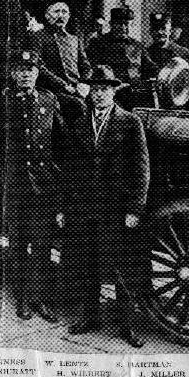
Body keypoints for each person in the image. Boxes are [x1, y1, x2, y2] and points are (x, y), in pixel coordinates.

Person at [62, 65, 149, 348]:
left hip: (117, 209)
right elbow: (70, 170)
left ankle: (127, 325)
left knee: (122, 266)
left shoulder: (130, 122)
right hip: (85, 207)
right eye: (95, 90)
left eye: (105, 90)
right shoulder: (78, 125)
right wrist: (65, 208)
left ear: (113, 92)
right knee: (88, 263)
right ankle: (90, 316)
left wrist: (135, 209)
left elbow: (141, 169)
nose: (99, 95)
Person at [4, 50, 62, 323]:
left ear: (38, 72)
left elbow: (60, 143)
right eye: (21, 69)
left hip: (43, 188)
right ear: (14, 73)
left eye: (31, 69)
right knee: (18, 245)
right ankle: (23, 299)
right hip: (16, 188)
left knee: (42, 245)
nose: (26, 74)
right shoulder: (4, 102)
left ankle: (39, 299)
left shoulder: (50, 101)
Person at [86, 7, 159, 109]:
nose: (123, 28)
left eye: (126, 24)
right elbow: (92, 70)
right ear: (111, 24)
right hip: (111, 92)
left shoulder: (137, 46)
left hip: (135, 91)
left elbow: (151, 68)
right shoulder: (98, 44)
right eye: (119, 24)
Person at [35, 0, 91, 121]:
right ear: (47, 15)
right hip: (53, 90)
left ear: (69, 16)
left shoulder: (74, 39)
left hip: (78, 89)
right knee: (79, 107)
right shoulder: (38, 37)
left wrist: (84, 83)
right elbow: (40, 67)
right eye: (56, 12)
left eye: (64, 12)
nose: (61, 16)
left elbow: (86, 66)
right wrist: (64, 86)